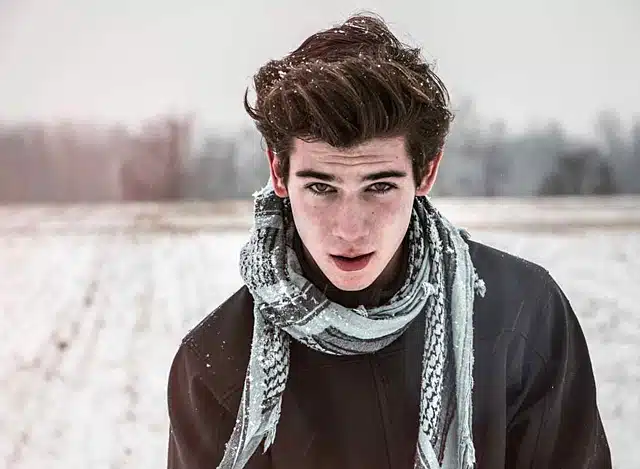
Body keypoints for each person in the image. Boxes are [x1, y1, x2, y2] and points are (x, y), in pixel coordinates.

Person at [166, 13, 612, 469]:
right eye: (321, 187)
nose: (349, 229)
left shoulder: (523, 315)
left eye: (379, 186)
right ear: (279, 173)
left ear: (426, 173)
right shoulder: (215, 361)